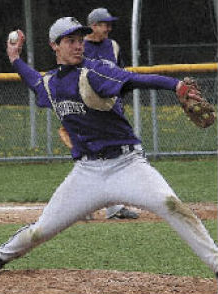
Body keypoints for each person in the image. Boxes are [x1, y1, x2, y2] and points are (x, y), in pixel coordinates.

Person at [0, 17, 218, 279]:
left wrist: (176, 86)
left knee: (171, 205)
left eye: (80, 40)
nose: (78, 46)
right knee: (42, 230)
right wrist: (15, 59)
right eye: (70, 41)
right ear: (54, 45)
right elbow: (33, 81)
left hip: (127, 165)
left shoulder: (95, 71)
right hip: (87, 173)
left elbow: (132, 80)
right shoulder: (50, 83)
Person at [83, 8, 137, 220]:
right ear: (93, 26)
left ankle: (114, 207)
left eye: (109, 24)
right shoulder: (80, 47)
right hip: (87, 110)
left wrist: (120, 101)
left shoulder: (112, 46)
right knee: (89, 158)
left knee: (115, 154)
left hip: (111, 108)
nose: (108, 28)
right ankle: (82, 208)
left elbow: (120, 75)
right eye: (104, 24)